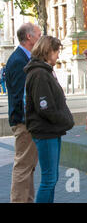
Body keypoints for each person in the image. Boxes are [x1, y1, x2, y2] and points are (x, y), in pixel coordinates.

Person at [24, 35, 74, 203]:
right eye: (56, 51)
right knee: (49, 179)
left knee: (52, 177)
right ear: (47, 51)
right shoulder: (39, 74)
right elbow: (45, 107)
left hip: (51, 130)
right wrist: (66, 121)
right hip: (45, 131)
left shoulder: (44, 71)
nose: (58, 55)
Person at [5, 22, 41, 203]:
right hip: (24, 123)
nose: (40, 39)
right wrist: (29, 120)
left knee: (28, 167)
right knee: (23, 166)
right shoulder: (20, 60)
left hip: (25, 122)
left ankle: (27, 199)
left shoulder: (22, 58)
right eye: (39, 35)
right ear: (29, 37)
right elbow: (21, 96)